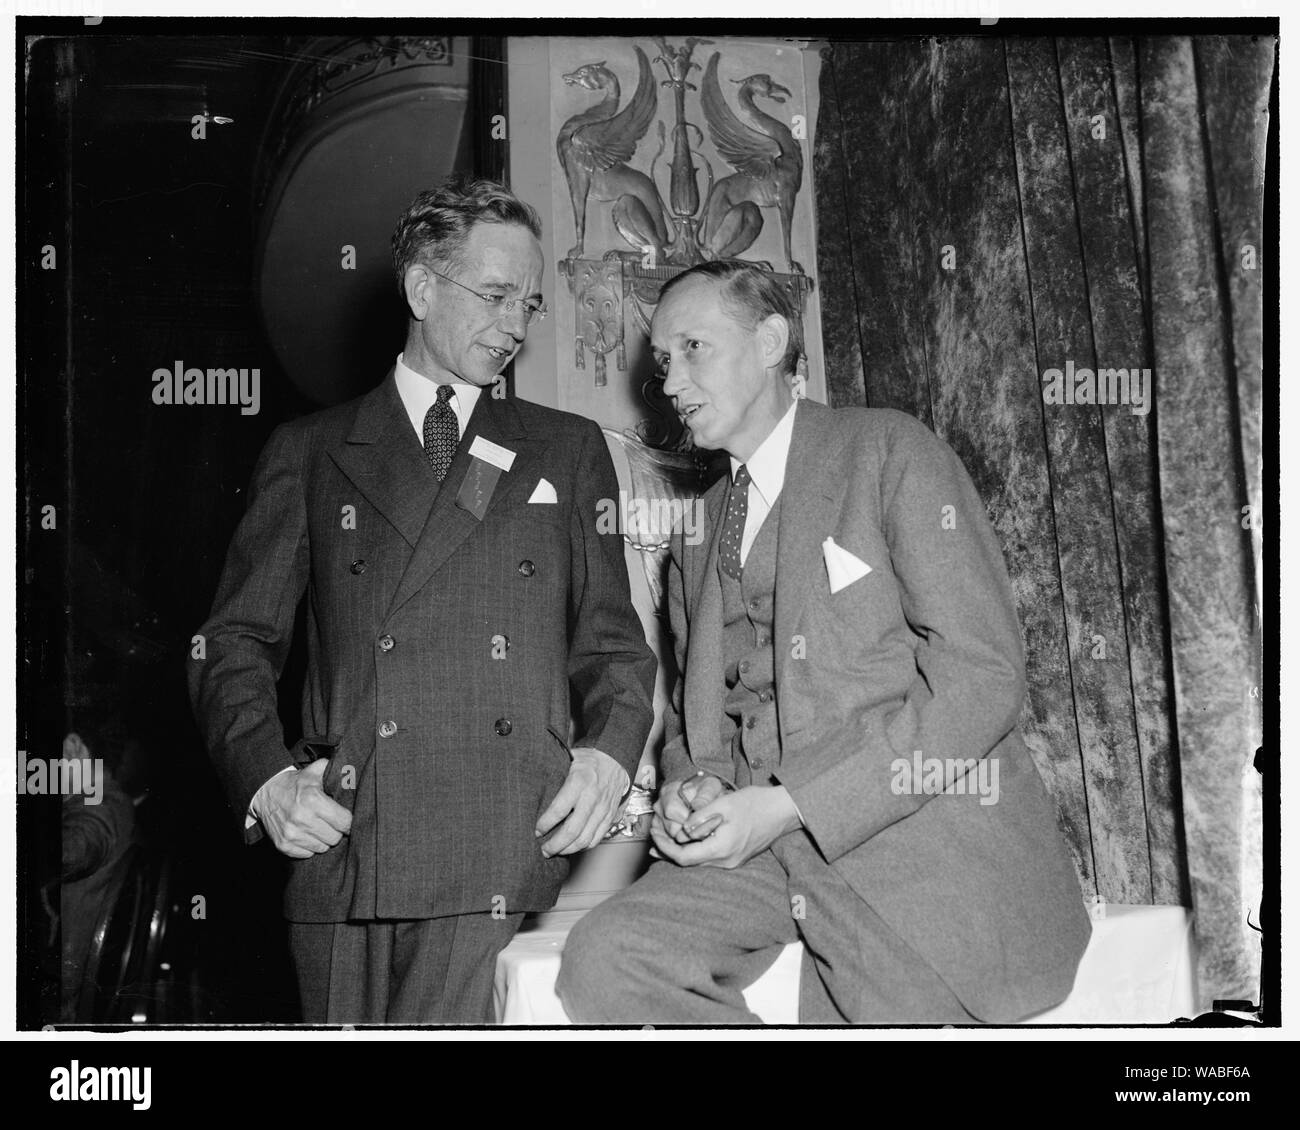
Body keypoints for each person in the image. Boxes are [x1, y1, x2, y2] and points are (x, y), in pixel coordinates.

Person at [556, 261, 1090, 1024]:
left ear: (771, 341)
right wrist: (693, 786)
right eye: (664, 361)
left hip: (910, 831)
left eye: (694, 348)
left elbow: (981, 675)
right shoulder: (699, 529)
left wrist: (794, 802)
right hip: (767, 852)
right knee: (604, 963)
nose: (670, 382)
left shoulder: (889, 451)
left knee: (888, 998)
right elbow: (697, 726)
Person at [189, 176, 656, 1024]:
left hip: (501, 837)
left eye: (531, 302)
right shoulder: (312, 450)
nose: (516, 324)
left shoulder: (567, 447)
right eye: (496, 294)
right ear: (421, 288)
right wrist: (267, 780)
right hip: (344, 846)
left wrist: (610, 756)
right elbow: (233, 642)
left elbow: (615, 646)